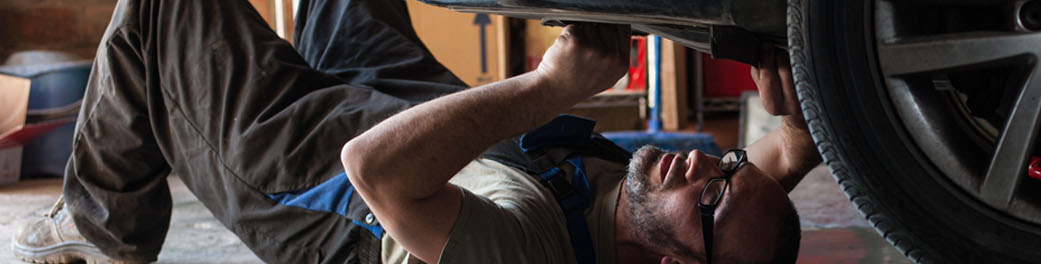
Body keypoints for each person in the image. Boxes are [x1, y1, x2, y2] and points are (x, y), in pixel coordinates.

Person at [9, 0, 816, 263]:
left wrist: (548, 86)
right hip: (409, 104)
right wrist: (804, 90)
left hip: (316, 171)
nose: (701, 170)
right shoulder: (688, 208)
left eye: (711, 199)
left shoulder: (526, 247)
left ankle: (96, 233)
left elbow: (375, 169)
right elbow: (783, 155)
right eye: (727, 167)